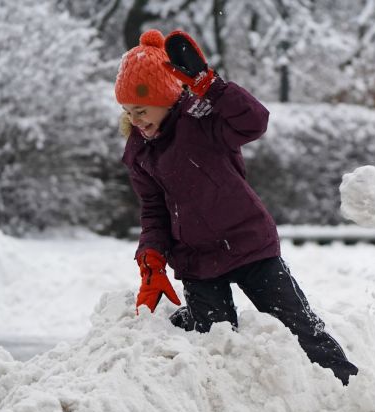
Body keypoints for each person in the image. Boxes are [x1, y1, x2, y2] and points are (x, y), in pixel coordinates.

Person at [116, 29, 358, 385]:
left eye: (141, 109)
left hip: (248, 244)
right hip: (196, 259)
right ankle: (186, 321)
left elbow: (254, 121)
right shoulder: (139, 151)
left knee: (299, 327)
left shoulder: (202, 120)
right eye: (127, 112)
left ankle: (350, 386)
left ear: (166, 97)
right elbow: (153, 209)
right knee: (217, 340)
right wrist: (151, 256)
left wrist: (210, 85)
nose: (135, 120)